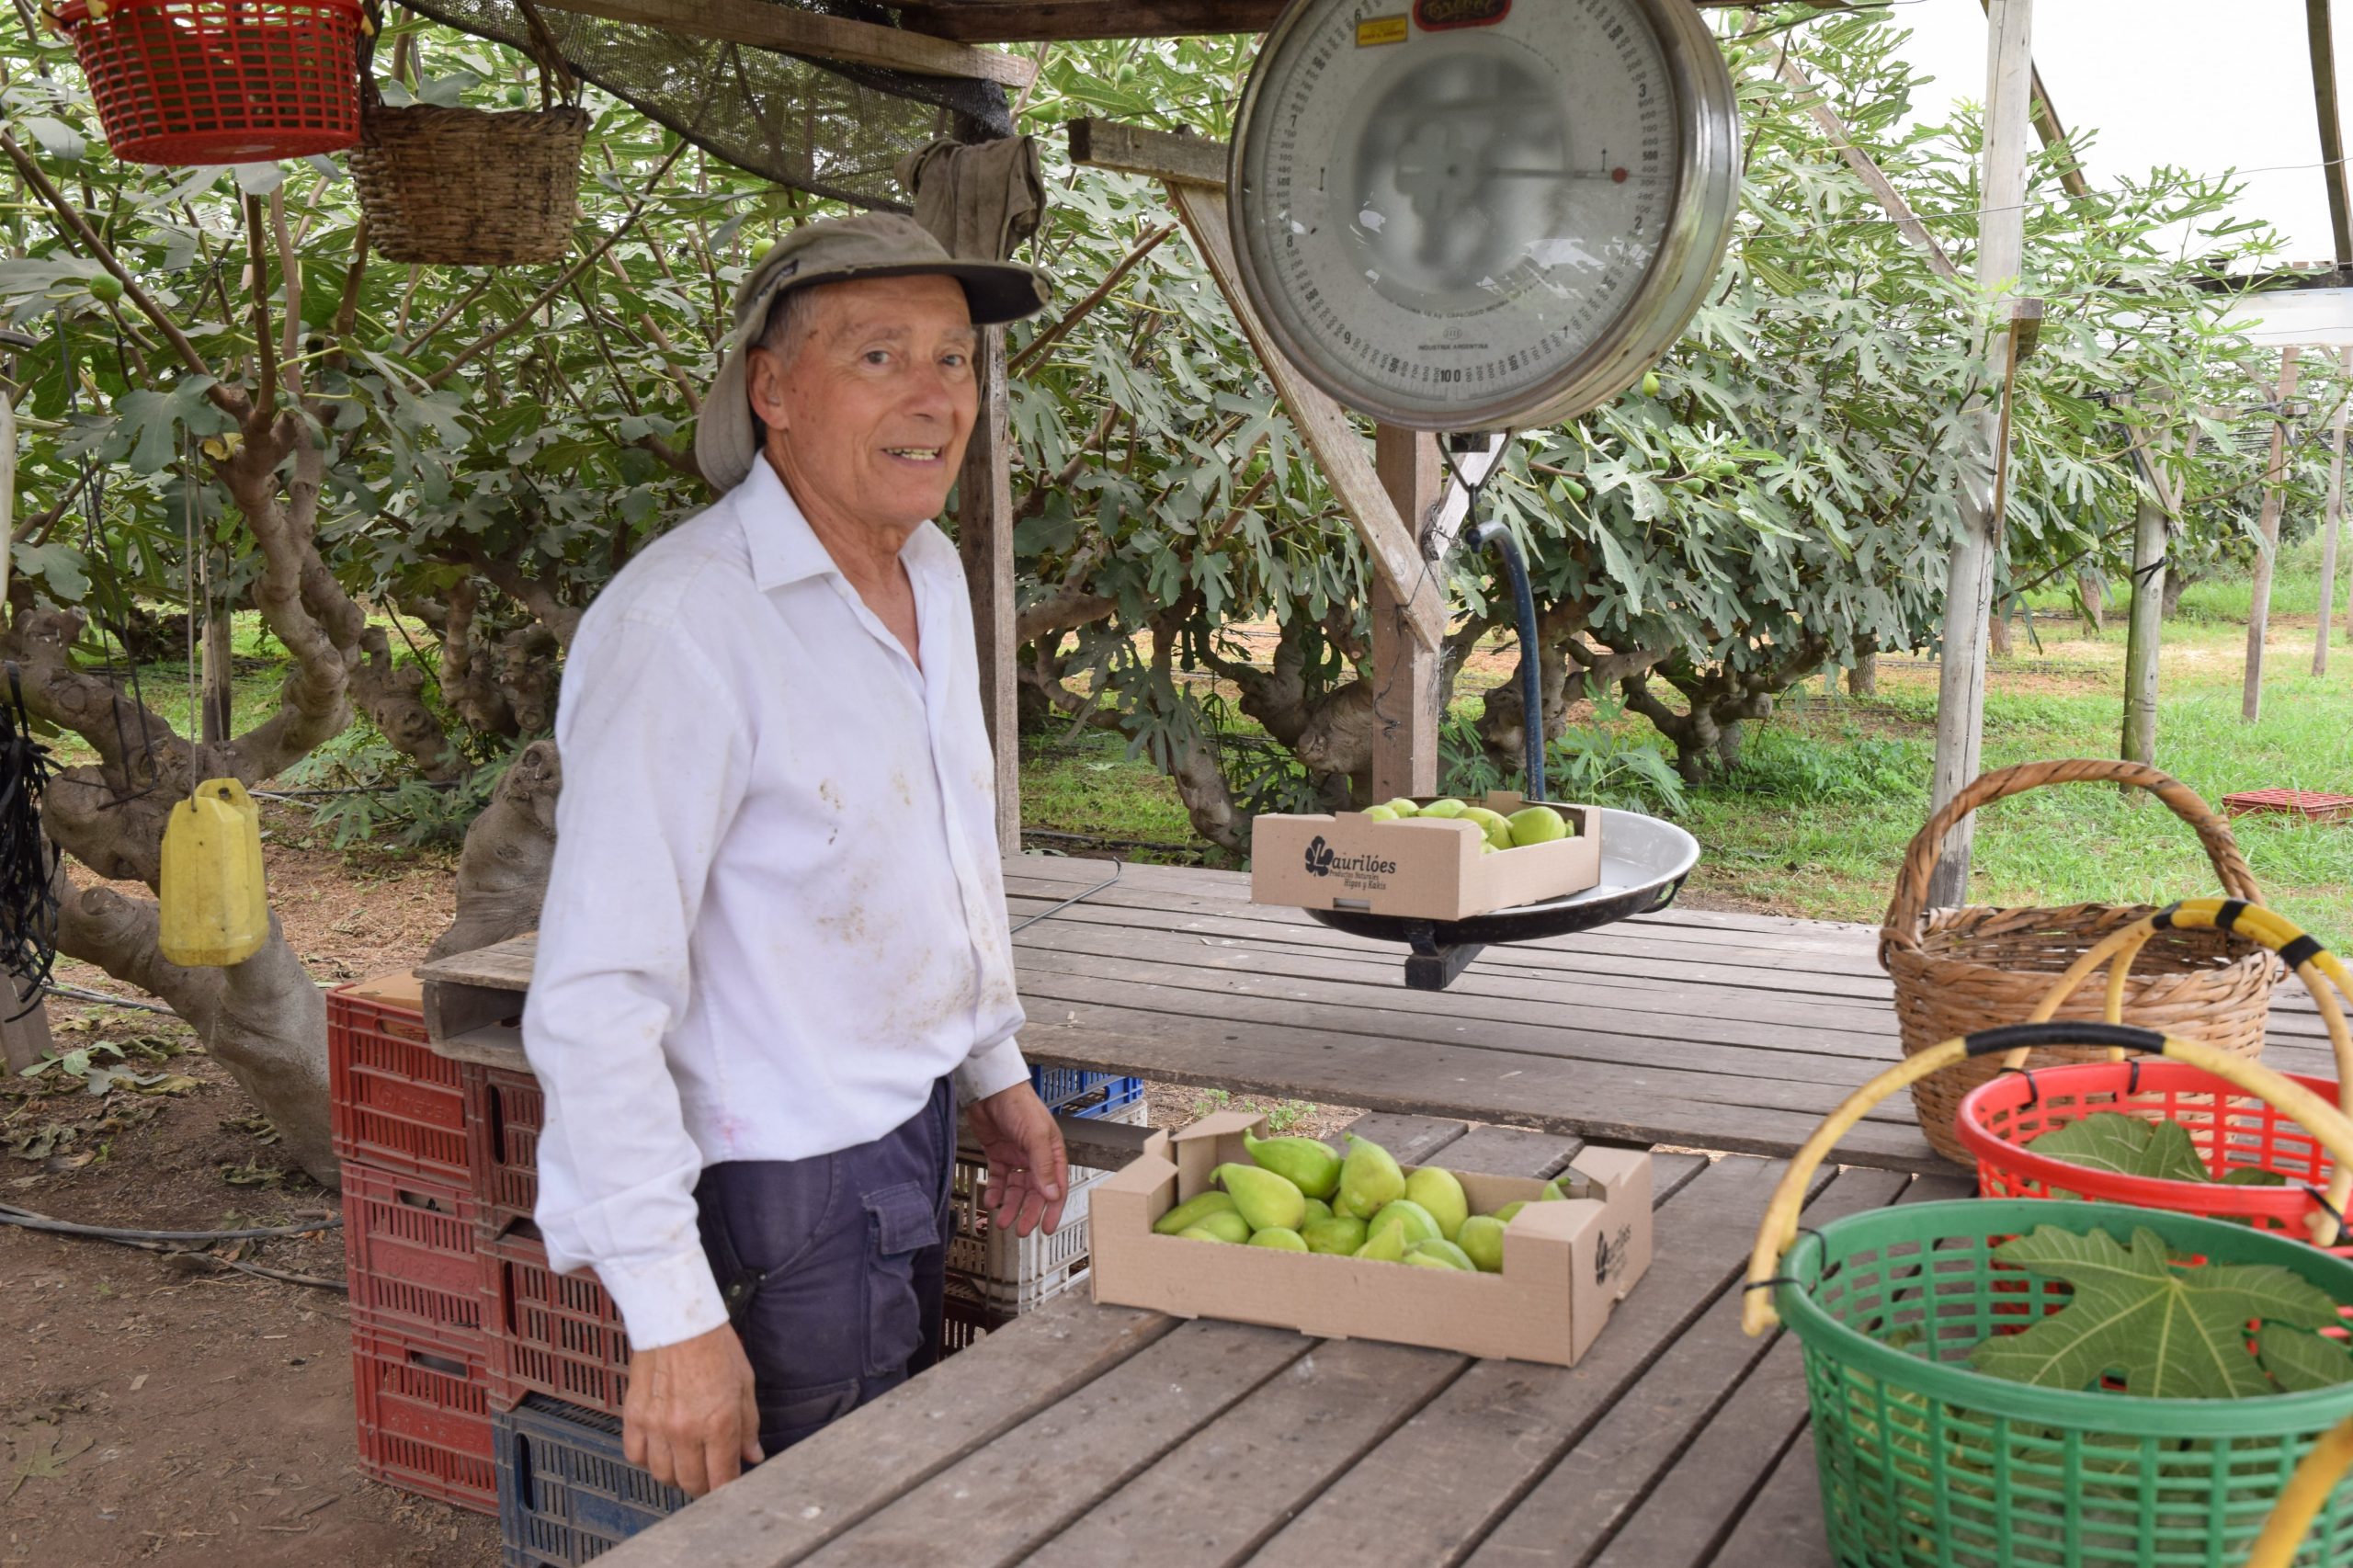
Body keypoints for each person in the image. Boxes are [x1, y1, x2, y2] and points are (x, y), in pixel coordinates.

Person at [521, 211, 1068, 1498]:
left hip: (907, 1130)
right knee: (814, 1517)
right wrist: (672, 1313)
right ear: (772, 390)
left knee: (878, 1498)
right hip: (780, 1186)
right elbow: (596, 994)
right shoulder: (686, 627)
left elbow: (938, 846)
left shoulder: (925, 566)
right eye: (882, 356)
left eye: (956, 358)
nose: (938, 394)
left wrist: (995, 1064)